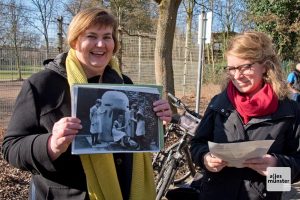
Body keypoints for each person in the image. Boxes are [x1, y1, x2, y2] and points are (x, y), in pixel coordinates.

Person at [2, 7, 172, 200]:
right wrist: (51, 144)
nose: (100, 44)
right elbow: (11, 148)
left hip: (120, 192)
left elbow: (137, 141)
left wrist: (156, 121)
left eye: (107, 37)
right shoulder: (43, 84)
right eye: (91, 36)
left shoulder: (124, 83)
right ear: (75, 41)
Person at [190, 31, 300, 200]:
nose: (237, 76)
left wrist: (276, 167)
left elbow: (293, 176)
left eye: (246, 66)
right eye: (232, 68)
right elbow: (197, 144)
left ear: (265, 66)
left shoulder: (290, 110)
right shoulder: (218, 103)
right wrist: (205, 159)